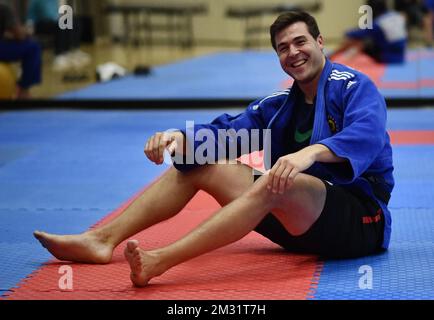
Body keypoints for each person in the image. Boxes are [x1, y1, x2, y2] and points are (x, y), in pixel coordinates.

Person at [34, 11, 394, 287]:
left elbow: (369, 132)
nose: (293, 53)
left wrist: (311, 152)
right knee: (198, 161)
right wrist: (180, 138)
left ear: (319, 42)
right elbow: (228, 132)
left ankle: (160, 260)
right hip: (300, 225)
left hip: (359, 223)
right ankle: (101, 239)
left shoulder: (351, 86)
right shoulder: (281, 105)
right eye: (283, 48)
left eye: (300, 42)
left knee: (275, 179)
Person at [331, 0, 407, 64]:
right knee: (366, 39)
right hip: (401, 57)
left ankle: (333, 57)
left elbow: (357, 34)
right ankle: (342, 57)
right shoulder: (396, 16)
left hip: (388, 58)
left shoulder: (379, 23)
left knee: (358, 41)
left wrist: (347, 31)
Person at [27, 0, 90, 72]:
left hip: (53, 22)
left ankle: (73, 49)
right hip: (38, 24)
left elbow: (59, 13)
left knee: (74, 21)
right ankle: (59, 54)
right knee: (61, 24)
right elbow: (49, 15)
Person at [0, 0, 42, 99]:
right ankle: (23, 90)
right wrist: (26, 32)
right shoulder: (3, 8)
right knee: (33, 47)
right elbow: (20, 35)